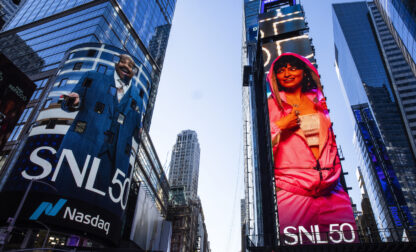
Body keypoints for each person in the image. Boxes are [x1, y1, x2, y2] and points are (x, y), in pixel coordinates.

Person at [267, 53, 357, 244]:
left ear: (305, 71)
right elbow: (261, 150)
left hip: (333, 192)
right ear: (275, 78)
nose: (287, 73)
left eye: (293, 68)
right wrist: (280, 126)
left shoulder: (321, 104)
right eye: (281, 70)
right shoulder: (270, 106)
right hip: (292, 195)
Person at [56, 54, 143, 213]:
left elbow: (137, 132)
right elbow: (69, 103)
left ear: (134, 72)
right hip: (80, 150)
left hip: (113, 164)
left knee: (97, 209)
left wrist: (139, 132)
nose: (126, 66)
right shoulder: (92, 77)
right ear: (115, 63)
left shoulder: (137, 97)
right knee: (63, 197)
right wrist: (73, 101)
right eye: (122, 62)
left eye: (131, 65)